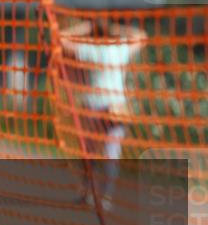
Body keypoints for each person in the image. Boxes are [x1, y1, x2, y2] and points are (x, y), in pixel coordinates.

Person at [59, 18, 147, 209]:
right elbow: (142, 36)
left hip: (93, 107)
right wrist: (115, 27)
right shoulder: (120, 49)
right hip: (115, 107)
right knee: (110, 154)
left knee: (89, 153)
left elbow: (61, 39)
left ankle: (88, 193)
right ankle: (105, 197)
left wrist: (86, 26)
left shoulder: (90, 50)